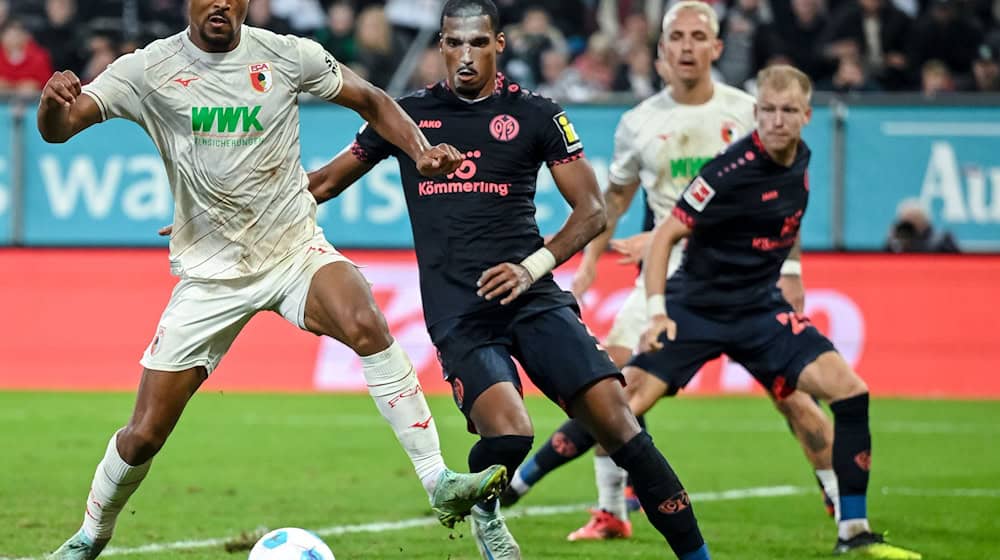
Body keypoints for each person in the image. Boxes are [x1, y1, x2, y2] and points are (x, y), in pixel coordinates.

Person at [39, 1, 509, 558]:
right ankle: (92, 535)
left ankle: (438, 481)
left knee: (367, 320)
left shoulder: (286, 55)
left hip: (292, 249)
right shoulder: (148, 69)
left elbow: (373, 100)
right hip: (210, 275)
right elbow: (61, 129)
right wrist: (51, 105)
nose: (221, 3)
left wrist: (422, 152)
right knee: (143, 434)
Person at [308, 2, 712, 559]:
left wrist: (531, 268)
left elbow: (592, 211)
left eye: (477, 43)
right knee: (511, 436)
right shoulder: (405, 117)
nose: (465, 56)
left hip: (534, 296)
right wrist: (230, 209)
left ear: (499, 43)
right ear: (442, 45)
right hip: (461, 312)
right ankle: (486, 512)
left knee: (622, 428)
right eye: (453, 43)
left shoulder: (538, 114)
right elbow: (324, 183)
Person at [501, 1, 838, 541]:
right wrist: (589, 263)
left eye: (697, 36)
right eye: (675, 36)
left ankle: (843, 506)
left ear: (716, 48)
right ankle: (612, 510)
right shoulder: (639, 123)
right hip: (666, 279)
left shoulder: (749, 111)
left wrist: (791, 268)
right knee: (605, 382)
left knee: (792, 395)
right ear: (661, 51)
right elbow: (612, 200)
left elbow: (782, 197)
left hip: (743, 279)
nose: (686, 46)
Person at [640, 64, 921, 559]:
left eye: (788, 111)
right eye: (767, 111)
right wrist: (658, 310)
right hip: (699, 305)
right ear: (755, 113)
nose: (777, 121)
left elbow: (783, 226)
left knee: (850, 392)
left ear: (807, 116)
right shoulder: (726, 171)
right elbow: (665, 236)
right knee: (620, 408)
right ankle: (517, 486)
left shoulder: (802, 158)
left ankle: (853, 531)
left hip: (758, 310)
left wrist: (788, 274)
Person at [884, 198, 960, 253]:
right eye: (907, 219)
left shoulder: (942, 239)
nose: (911, 223)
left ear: (924, 220)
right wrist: (891, 241)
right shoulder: (897, 243)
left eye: (915, 218)